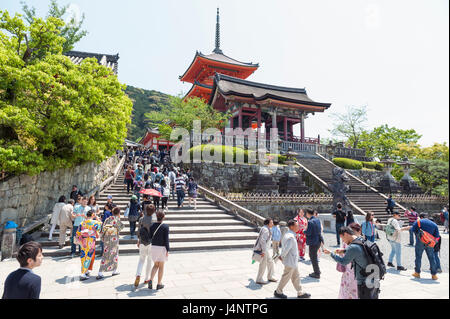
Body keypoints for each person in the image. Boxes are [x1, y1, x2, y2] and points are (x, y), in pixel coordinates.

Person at [324, 227, 380, 299]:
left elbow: (343, 261)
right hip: (374, 276)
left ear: (346, 234)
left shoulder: (352, 247)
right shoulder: (361, 239)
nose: (343, 241)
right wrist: (344, 251)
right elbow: (359, 252)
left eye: (342, 238)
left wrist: (331, 253)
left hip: (364, 281)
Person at [273, 220, 311, 299]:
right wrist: (281, 256)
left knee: (296, 276)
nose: (298, 227)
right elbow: (286, 249)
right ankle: (278, 291)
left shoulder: (289, 234)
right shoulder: (290, 236)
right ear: (291, 227)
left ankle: (300, 292)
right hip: (290, 261)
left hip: (292, 260)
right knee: (286, 276)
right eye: (296, 225)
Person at [97, 207, 124, 280]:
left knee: (105, 254)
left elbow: (102, 229)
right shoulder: (117, 220)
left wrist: (102, 237)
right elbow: (122, 227)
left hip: (107, 239)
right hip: (114, 239)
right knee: (114, 254)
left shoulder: (107, 219)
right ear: (118, 213)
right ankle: (114, 270)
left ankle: (100, 272)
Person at [411, 213, 440, 280]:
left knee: (418, 257)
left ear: (421, 217)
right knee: (431, 258)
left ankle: (417, 273)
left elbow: (412, 230)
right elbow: (437, 237)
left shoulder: (418, 221)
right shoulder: (434, 224)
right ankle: (434, 275)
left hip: (420, 242)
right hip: (429, 243)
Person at [75, 210, 102, 281]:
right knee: (88, 256)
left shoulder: (82, 223)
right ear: (93, 214)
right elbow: (101, 225)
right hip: (91, 241)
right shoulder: (95, 223)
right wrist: (96, 217)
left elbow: (77, 233)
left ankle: (85, 271)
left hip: (83, 241)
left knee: (83, 255)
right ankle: (83, 273)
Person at [337, 223, 361, 299]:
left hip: (350, 272)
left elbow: (342, 257)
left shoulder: (348, 243)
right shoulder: (361, 241)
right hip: (355, 272)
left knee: (347, 290)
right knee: (354, 292)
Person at [135, 204, 155, 288]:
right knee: (149, 260)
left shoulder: (141, 219)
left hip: (142, 241)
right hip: (151, 242)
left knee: (141, 259)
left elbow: (139, 231)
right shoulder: (154, 220)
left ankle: (138, 275)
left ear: (146, 210)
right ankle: (147, 278)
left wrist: (138, 240)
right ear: (153, 211)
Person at [148, 211, 170, 290]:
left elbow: (150, 236)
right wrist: (168, 250)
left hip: (154, 247)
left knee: (155, 265)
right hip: (162, 248)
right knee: (161, 267)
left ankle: (150, 280)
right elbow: (166, 240)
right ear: (163, 217)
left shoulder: (152, 226)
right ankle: (159, 284)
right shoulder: (165, 227)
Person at [254, 218, 277, 285]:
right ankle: (259, 279)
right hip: (264, 249)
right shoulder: (266, 230)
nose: (272, 224)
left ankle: (270, 276)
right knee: (263, 264)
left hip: (266, 249)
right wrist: (263, 251)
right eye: (271, 222)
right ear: (268, 223)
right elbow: (262, 240)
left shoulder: (264, 228)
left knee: (271, 262)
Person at [305, 209, 322, 279]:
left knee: (313, 257)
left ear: (308, 214)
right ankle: (317, 270)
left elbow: (308, 232)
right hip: (318, 240)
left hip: (313, 241)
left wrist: (304, 231)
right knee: (314, 256)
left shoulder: (310, 222)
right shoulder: (317, 220)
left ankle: (317, 273)